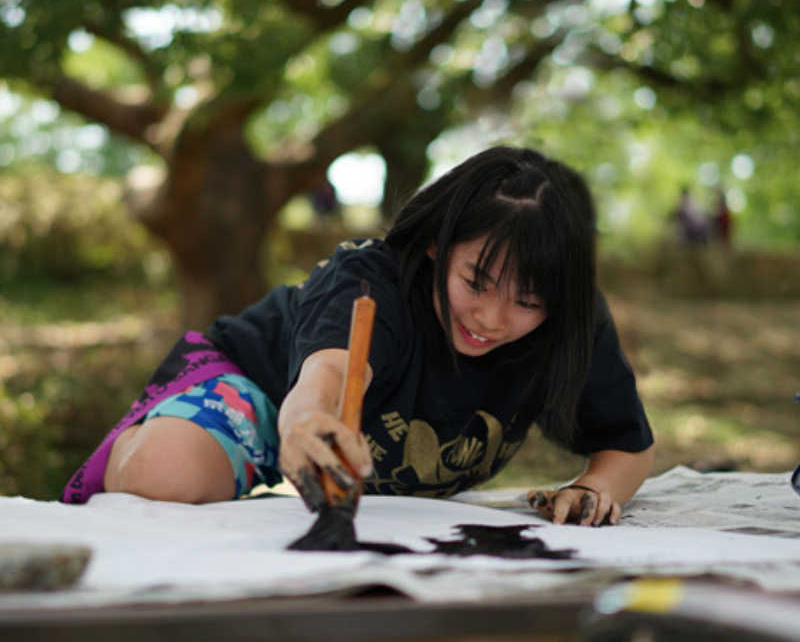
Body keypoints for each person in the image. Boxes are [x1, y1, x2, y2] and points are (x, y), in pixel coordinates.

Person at [63, 146, 654, 527]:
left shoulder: (571, 324)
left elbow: (628, 444)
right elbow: (329, 373)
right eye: (476, 281)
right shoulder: (372, 282)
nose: (493, 319)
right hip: (264, 389)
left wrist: (594, 488)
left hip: (373, 475)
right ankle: (153, 429)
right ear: (436, 246)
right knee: (164, 475)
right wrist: (299, 425)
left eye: (528, 302)